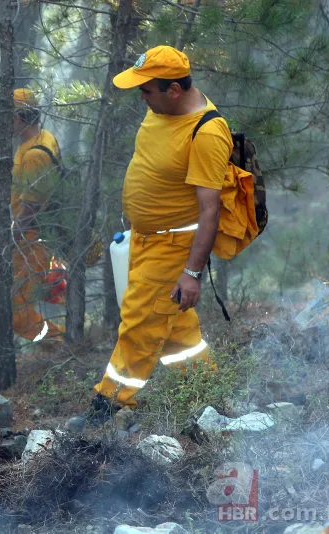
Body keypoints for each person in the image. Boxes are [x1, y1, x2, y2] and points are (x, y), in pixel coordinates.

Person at [85, 45, 232, 423]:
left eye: (146, 90)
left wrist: (192, 273)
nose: (141, 97)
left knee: (138, 325)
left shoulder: (206, 133)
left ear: (174, 90)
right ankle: (209, 398)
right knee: (176, 332)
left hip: (173, 244)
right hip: (145, 238)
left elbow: (210, 209)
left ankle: (108, 407)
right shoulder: (160, 109)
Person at [0, 88, 66, 361]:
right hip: (21, 239)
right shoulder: (34, 142)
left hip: (29, 241)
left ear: (18, 117)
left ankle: (60, 342)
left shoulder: (35, 154)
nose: (1, 124)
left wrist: (8, 241)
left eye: (5, 117)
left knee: (16, 311)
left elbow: (31, 209)